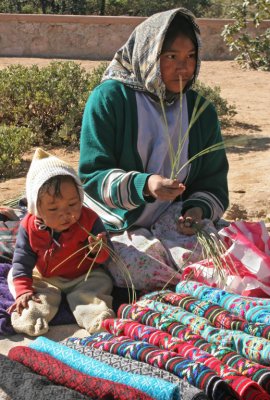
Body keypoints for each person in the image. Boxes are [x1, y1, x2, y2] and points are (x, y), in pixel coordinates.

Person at [79, 8, 229, 291]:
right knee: (140, 268)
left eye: (190, 57)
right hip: (119, 220)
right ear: (149, 53)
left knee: (218, 256)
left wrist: (195, 210)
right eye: (171, 56)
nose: (183, 68)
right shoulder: (110, 99)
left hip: (170, 216)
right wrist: (145, 185)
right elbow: (92, 176)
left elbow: (212, 181)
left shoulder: (201, 111)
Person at [7, 148, 115, 336]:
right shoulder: (29, 227)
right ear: (36, 208)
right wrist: (23, 289)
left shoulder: (89, 220)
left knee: (98, 285)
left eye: (73, 204)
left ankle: (95, 316)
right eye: (53, 208)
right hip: (47, 278)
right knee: (33, 290)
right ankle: (31, 316)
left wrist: (97, 250)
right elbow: (22, 261)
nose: (65, 213)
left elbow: (108, 256)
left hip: (83, 276)